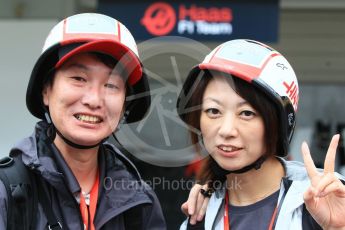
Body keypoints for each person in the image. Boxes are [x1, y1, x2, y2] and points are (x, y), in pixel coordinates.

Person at [0, 13, 166, 229]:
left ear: (125, 103)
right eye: (78, 79)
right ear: (46, 91)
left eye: (111, 85)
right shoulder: (8, 191)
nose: (94, 100)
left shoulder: (139, 200)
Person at [177, 39, 345, 229]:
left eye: (246, 113)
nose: (226, 130)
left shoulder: (327, 200)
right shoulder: (200, 216)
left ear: (278, 125)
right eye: (213, 111)